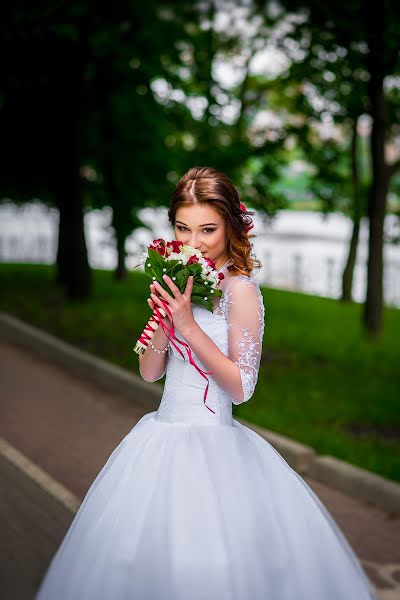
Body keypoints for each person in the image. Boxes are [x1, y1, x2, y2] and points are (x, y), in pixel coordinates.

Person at [35, 167, 378, 599]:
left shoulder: (242, 292)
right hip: (159, 437)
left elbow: (241, 387)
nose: (193, 243)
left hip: (216, 445)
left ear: (231, 227)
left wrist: (190, 327)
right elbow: (149, 372)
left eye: (207, 230)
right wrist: (163, 318)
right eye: (182, 228)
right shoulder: (178, 278)